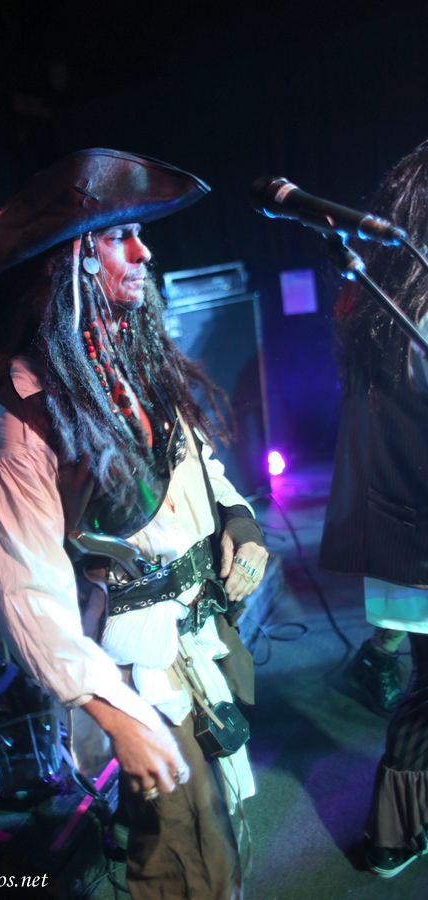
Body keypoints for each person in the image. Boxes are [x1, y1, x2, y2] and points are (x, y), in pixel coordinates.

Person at [0, 148, 269, 898]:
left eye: (138, 233)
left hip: (201, 637)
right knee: (183, 855)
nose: (144, 252)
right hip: (138, 670)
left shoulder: (132, 363)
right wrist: (117, 715)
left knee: (219, 836)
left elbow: (197, 465)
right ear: (71, 262)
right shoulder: (20, 424)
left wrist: (240, 521)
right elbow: (26, 598)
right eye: (120, 236)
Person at [319, 139, 428, 878]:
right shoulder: (409, 311)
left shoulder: (385, 302)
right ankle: (391, 833)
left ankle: (395, 832)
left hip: (403, 531)